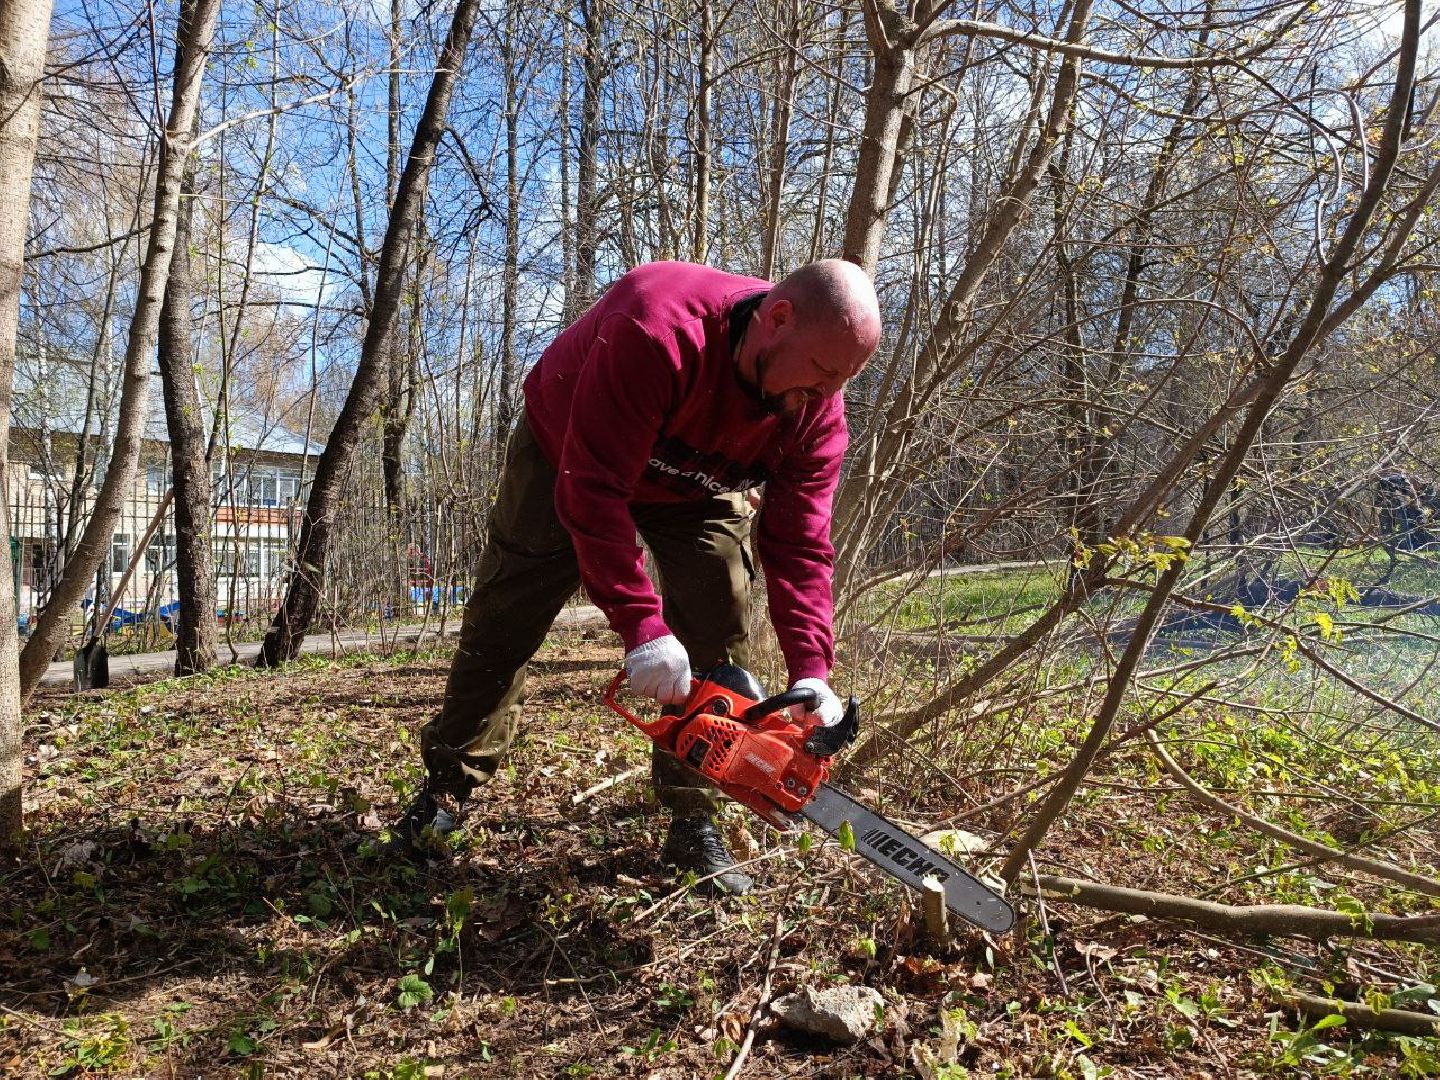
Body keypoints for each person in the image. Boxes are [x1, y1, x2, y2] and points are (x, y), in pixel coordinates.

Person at [393, 259, 881, 895]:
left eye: (839, 383)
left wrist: (811, 667)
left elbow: (801, 543)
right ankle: (447, 790)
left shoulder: (817, 411)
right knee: (505, 621)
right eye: (819, 374)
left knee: (717, 618)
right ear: (777, 319)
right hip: (571, 449)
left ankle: (692, 819)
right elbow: (593, 491)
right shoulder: (657, 329)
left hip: (699, 485)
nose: (820, 396)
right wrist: (640, 626)